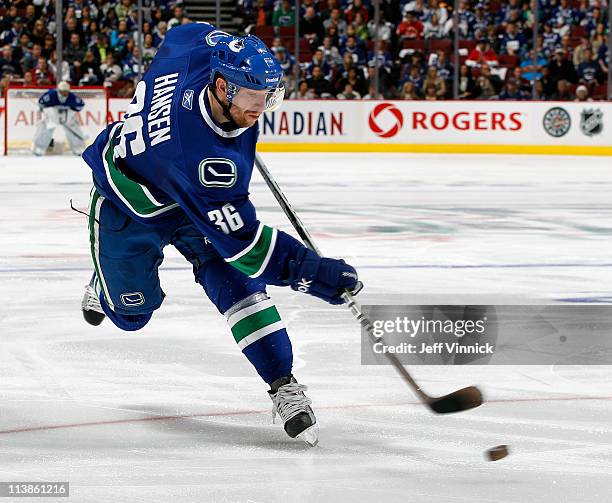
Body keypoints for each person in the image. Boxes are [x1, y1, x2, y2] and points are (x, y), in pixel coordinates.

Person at [79, 23, 361, 447]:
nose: (261, 108)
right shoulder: (199, 159)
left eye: (268, 95)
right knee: (131, 316)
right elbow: (249, 248)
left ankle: (282, 384)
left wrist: (240, 44)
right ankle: (104, 287)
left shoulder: (201, 50)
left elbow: (185, 31)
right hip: (132, 204)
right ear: (223, 88)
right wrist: (315, 274)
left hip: (185, 195)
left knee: (239, 289)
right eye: (252, 97)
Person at [32, 81, 85, 156]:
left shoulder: (72, 97)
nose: (64, 93)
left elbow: (80, 106)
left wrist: (71, 110)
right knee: (48, 127)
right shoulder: (51, 95)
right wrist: (47, 112)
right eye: (62, 91)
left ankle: (78, 147)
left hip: (66, 113)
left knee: (72, 128)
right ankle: (39, 148)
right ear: (58, 90)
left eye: (66, 91)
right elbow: (41, 103)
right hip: (52, 112)